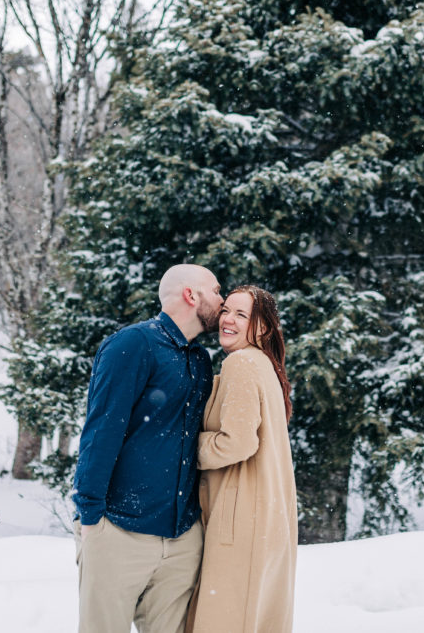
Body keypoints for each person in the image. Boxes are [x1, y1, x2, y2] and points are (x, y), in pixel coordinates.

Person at [71, 263, 223, 633]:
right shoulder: (133, 344)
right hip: (119, 532)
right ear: (192, 295)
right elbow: (102, 430)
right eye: (216, 291)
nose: (223, 300)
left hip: (183, 537)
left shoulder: (200, 360)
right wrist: (90, 516)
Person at [189, 285, 298, 633]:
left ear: (263, 327)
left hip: (241, 519)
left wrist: (185, 450)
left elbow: (237, 442)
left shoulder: (242, 363)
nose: (228, 320)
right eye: (226, 311)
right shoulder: (264, 364)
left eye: (241, 314)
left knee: (224, 618)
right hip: (263, 515)